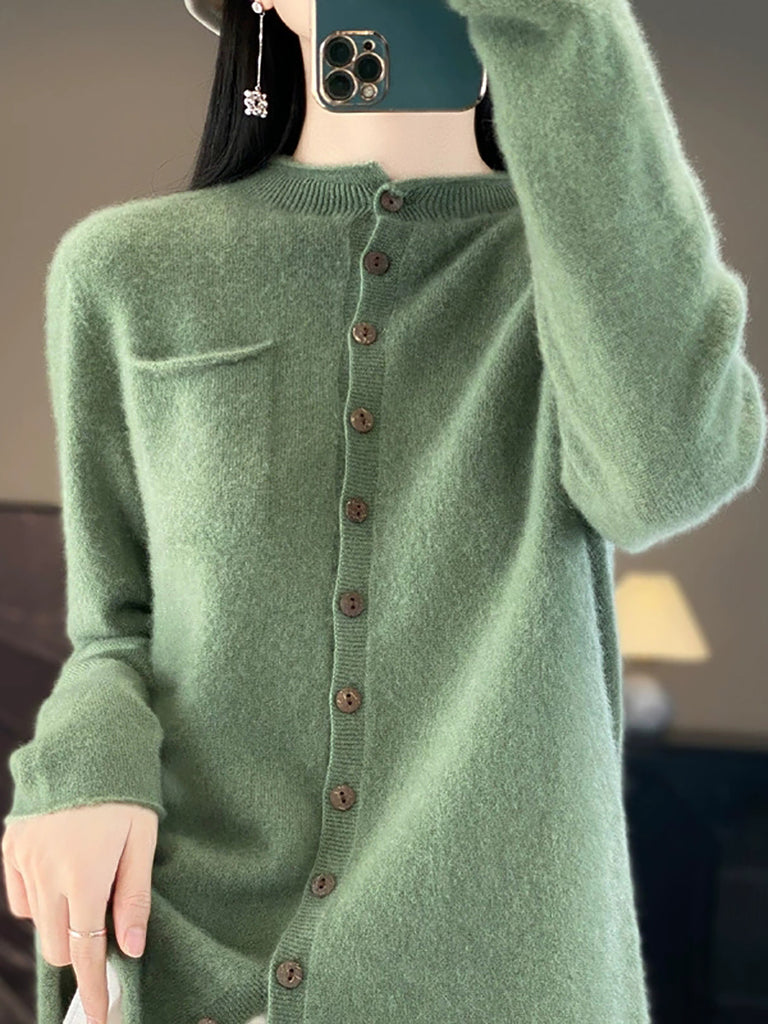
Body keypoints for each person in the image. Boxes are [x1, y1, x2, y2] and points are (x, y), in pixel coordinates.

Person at [2, 0, 765, 1022]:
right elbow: (114, 626)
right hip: (190, 961)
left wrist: (560, 23)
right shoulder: (127, 270)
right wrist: (81, 768)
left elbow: (668, 475)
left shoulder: (585, 284)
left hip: (503, 982)